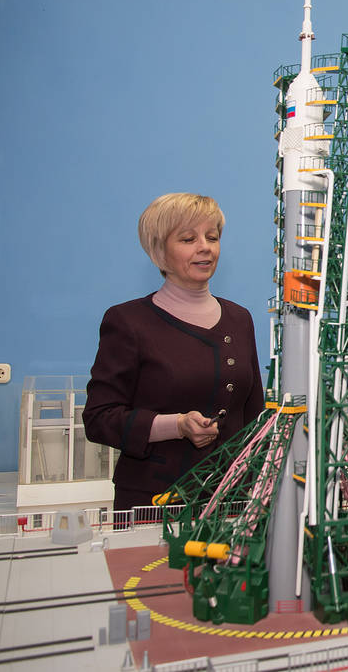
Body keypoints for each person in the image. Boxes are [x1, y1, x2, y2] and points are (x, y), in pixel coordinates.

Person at [84, 193, 264, 512]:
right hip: (154, 501)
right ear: (159, 251)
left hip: (230, 498)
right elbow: (99, 419)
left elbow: (253, 416)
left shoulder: (240, 318)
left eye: (212, 237)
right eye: (188, 239)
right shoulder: (128, 322)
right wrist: (176, 425)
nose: (205, 247)